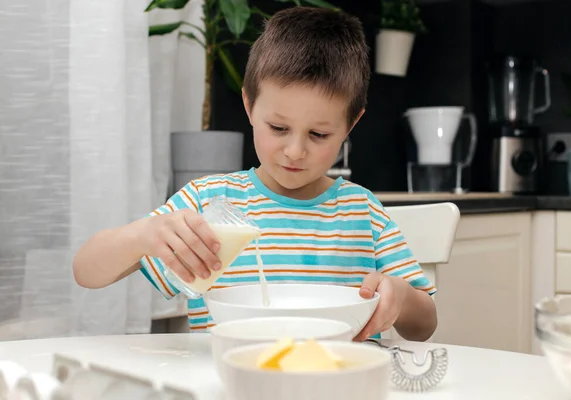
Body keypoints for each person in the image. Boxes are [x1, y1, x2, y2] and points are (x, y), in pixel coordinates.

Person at [73, 6, 437, 342]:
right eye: (278, 128)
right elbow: (85, 271)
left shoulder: (363, 213)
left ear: (351, 124)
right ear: (249, 105)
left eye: (319, 135)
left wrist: (401, 297)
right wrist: (142, 235)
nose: (295, 151)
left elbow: (425, 326)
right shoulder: (207, 202)